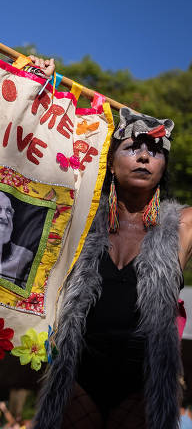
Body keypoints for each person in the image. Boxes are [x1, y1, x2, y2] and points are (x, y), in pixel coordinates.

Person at [35, 106, 192, 428]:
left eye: (156, 151)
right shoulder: (78, 218)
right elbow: (31, 161)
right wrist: (39, 87)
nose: (145, 157)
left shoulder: (184, 225)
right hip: (78, 375)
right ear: (109, 161)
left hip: (144, 384)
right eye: (133, 147)